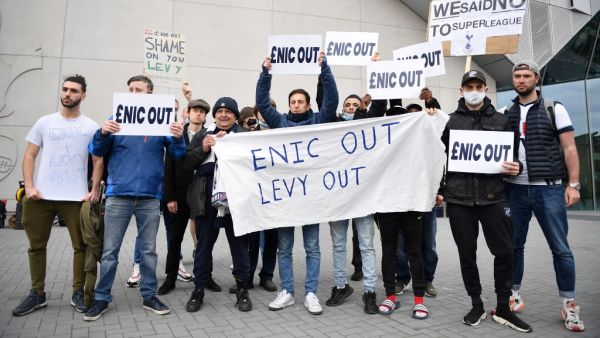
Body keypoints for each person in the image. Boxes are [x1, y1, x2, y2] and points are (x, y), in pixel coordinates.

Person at [83, 75, 185, 321]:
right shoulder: (115, 119)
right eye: (130, 89)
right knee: (110, 251)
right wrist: (102, 134)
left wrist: (179, 137)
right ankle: (101, 298)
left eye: (138, 89)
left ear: (150, 94)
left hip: (150, 196)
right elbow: (96, 151)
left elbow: (177, 154)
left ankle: (149, 295)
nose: (132, 92)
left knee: (149, 251)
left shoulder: (162, 121)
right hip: (118, 195)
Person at [438, 70, 532, 332]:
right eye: (470, 86)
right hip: (459, 199)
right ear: (461, 91)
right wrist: (440, 187)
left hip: (494, 197)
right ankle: (476, 303)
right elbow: (436, 156)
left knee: (504, 251)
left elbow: (515, 156)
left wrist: (518, 166)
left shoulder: (503, 122)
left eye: (479, 85)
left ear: (485, 89)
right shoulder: (450, 122)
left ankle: (503, 306)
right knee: (467, 254)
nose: (475, 90)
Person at [257, 51, 339, 315]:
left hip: (311, 197)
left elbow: (332, 100)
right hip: (285, 197)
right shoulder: (279, 122)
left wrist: (324, 69)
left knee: (312, 247)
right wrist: (265, 72)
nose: (295, 104)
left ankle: (311, 293)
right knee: (285, 248)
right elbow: (261, 102)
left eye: (300, 101)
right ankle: (288, 292)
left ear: (307, 105)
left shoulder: (318, 121)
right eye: (292, 101)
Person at [13, 75, 103, 316]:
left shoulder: (91, 126)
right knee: (36, 246)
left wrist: (94, 191)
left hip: (76, 198)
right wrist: (30, 187)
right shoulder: (45, 122)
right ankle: (37, 293)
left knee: (81, 246)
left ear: (83, 96)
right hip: (40, 197)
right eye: (65, 89)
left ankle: (77, 292)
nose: (68, 94)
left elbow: (97, 161)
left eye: (74, 91)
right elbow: (30, 155)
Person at [505, 61, 584, 332]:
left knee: (560, 248)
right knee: (513, 246)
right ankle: (512, 296)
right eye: (517, 76)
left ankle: (569, 304)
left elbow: (570, 146)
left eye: (527, 76)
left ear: (536, 78)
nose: (521, 80)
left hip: (549, 189)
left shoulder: (554, 108)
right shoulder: (507, 111)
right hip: (514, 189)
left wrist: (573, 184)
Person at [183, 97, 253, 313]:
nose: (224, 115)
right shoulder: (204, 135)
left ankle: (242, 289)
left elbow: (253, 164)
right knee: (203, 247)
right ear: (214, 115)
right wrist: (202, 149)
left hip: (235, 201)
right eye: (220, 111)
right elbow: (187, 164)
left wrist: (232, 147)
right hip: (206, 201)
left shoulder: (243, 136)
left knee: (239, 247)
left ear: (235, 115)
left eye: (228, 111)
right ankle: (198, 290)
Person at [322, 93, 379, 314]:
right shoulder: (332, 126)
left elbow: (379, 108)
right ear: (342, 108)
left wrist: (365, 110)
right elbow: (323, 100)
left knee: (366, 245)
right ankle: (340, 286)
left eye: (356, 105)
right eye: (348, 105)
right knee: (338, 244)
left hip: (363, 196)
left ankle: (370, 291)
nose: (351, 108)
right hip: (338, 196)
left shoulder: (368, 126)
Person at [157, 98, 210, 295]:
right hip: (178, 195)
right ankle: (170, 278)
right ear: (188, 113)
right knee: (174, 239)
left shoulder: (209, 135)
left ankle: (206, 276)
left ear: (205, 116)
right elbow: (168, 167)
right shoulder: (177, 133)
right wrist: (169, 197)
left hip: (201, 195)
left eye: (202, 112)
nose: (198, 114)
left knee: (205, 239)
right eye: (195, 110)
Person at [227, 106, 278, 294]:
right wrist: (245, 130)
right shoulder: (241, 134)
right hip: (250, 195)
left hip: (271, 194)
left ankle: (267, 276)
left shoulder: (275, 132)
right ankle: (246, 277)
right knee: (252, 239)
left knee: (272, 237)